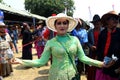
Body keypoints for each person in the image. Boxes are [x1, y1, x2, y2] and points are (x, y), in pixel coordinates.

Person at [16, 13, 108, 80]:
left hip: (73, 75)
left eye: (64, 23)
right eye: (59, 23)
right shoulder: (50, 43)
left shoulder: (75, 40)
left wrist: (101, 64)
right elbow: (41, 62)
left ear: (68, 25)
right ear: (55, 26)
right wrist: (22, 61)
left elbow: (83, 58)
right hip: (56, 76)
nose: (62, 25)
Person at [95, 11, 120, 80]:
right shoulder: (102, 33)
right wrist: (97, 62)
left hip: (114, 68)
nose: (115, 20)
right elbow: (98, 49)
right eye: (113, 18)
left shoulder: (119, 33)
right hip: (101, 65)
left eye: (116, 19)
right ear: (107, 21)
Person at [86, 14, 103, 80]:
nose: (97, 24)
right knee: (92, 68)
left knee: (100, 68)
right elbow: (87, 41)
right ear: (93, 23)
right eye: (95, 23)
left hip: (101, 53)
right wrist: (91, 46)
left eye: (98, 23)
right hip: (92, 53)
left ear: (100, 23)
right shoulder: (90, 31)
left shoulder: (104, 31)